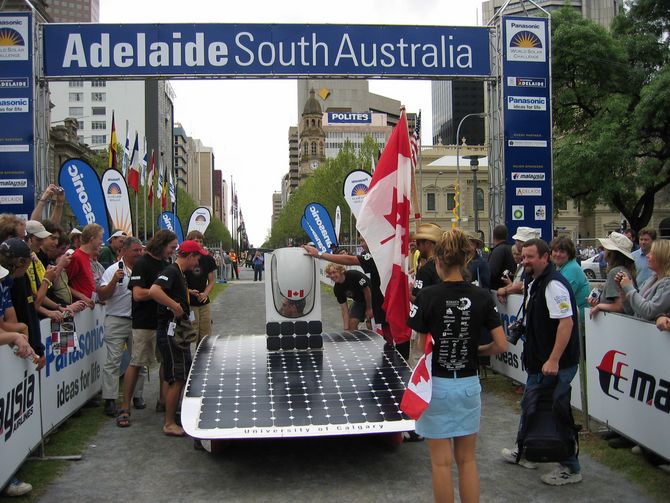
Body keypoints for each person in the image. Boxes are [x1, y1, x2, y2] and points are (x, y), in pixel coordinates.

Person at [407, 228, 507, 503]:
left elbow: (420, 346)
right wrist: (478, 349)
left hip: (436, 385)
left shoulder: (427, 296)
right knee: (467, 461)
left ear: (438, 260)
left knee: (441, 464)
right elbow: (501, 345)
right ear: (467, 261)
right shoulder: (483, 296)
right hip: (468, 384)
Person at [501, 238, 582, 486]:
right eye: (523, 256)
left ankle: (571, 467)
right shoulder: (535, 281)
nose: (524, 261)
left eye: (530, 257)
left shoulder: (554, 285)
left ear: (545, 257)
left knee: (556, 413)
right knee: (530, 405)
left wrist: (554, 359)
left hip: (556, 364)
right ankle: (526, 451)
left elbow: (566, 323)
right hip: (540, 362)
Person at [117, 230, 178, 428]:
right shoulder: (142, 263)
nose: (174, 250)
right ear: (162, 244)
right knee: (137, 363)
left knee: (165, 362)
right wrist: (158, 293)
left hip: (164, 322)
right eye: (172, 247)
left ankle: (162, 401)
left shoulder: (167, 264)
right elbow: (137, 294)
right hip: (144, 323)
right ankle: (125, 407)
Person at [150, 239, 209, 436]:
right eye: (197, 258)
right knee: (178, 375)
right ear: (190, 256)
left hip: (175, 331)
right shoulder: (172, 271)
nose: (198, 263)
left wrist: (185, 294)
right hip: (170, 330)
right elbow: (154, 290)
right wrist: (174, 306)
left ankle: (173, 413)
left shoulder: (177, 273)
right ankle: (169, 423)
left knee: (179, 372)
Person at [98, 237, 147, 417]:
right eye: (135, 250)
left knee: (139, 360)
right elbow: (102, 295)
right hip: (117, 319)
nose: (139, 253)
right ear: (124, 251)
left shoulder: (143, 269)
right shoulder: (113, 270)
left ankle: (137, 395)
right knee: (113, 360)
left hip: (138, 321)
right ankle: (110, 399)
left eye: (141, 250)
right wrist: (113, 282)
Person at [618, 239, 670, 320]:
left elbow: (649, 312)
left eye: (652, 253)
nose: (647, 255)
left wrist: (629, 288)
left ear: (662, 257)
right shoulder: (652, 279)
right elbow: (634, 311)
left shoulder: (667, 284)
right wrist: (624, 292)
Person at [589, 232, 636, 319]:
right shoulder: (625, 269)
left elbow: (619, 307)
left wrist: (598, 306)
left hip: (616, 323)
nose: (604, 251)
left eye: (606, 248)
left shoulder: (615, 272)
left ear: (612, 253)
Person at [184, 231, 217, 346]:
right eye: (195, 241)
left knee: (206, 334)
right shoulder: (184, 259)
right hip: (189, 302)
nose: (198, 243)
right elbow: (179, 282)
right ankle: (190, 361)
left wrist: (205, 294)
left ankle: (203, 360)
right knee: (192, 333)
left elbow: (212, 281)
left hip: (203, 302)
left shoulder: (208, 258)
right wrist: (189, 291)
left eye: (200, 241)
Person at [324, 263, 373, 330]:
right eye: (330, 274)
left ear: (341, 271)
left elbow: (367, 291)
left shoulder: (354, 275)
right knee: (351, 323)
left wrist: (369, 309)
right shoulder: (337, 289)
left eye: (334, 272)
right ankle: (354, 339)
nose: (332, 275)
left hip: (373, 297)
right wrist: (346, 329)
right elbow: (344, 310)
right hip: (359, 301)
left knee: (370, 323)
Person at [65, 223, 104, 302]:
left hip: (90, 308)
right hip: (80, 309)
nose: (101, 242)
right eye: (100, 239)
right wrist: (81, 296)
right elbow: (63, 283)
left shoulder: (88, 257)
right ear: (92, 239)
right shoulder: (76, 257)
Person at [550, 236, 589, 311]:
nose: (558, 254)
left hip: (577, 317)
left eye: (562, 252)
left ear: (569, 254)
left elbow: (560, 297)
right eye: (555, 250)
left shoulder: (572, 269)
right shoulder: (564, 266)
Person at [410, 223, 443, 302]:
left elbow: (418, 301)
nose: (417, 248)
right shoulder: (447, 266)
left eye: (418, 243)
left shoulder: (425, 271)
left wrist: (408, 293)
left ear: (427, 243)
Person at [488, 224, 516, 291]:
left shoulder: (497, 251)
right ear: (506, 235)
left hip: (498, 292)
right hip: (512, 290)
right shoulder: (512, 249)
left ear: (493, 236)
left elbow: (491, 273)